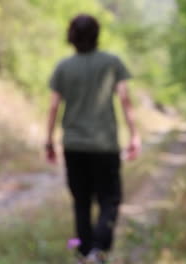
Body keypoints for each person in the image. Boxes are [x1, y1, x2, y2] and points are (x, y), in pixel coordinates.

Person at [45, 14, 141, 264]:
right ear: (97, 35)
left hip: (74, 145)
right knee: (110, 199)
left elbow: (54, 107)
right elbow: (125, 100)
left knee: (81, 201)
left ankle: (84, 252)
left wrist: (49, 141)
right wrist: (134, 135)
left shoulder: (63, 67)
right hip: (104, 145)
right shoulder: (112, 63)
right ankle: (98, 249)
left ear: (72, 36)